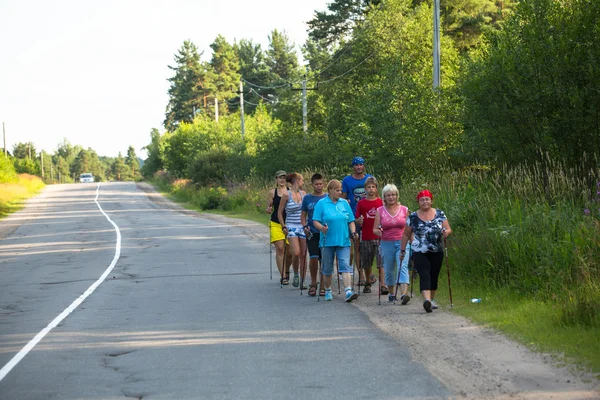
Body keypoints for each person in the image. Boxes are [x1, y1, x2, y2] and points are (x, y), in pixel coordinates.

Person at [400, 190, 452, 313]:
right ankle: (427, 300)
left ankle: (431, 299)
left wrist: (446, 233)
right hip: (419, 250)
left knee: (434, 275)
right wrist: (402, 251)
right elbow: (406, 235)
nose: (425, 202)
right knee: (424, 273)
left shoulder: (439, 213)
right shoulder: (413, 217)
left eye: (427, 199)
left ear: (431, 201)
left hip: (437, 250)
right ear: (418, 202)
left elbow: (448, 228)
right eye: (422, 200)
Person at [312, 179, 359, 303]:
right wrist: (321, 228)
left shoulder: (344, 203)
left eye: (341, 190)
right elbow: (315, 220)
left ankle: (348, 291)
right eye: (337, 190)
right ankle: (327, 290)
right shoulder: (321, 203)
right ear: (330, 190)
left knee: (345, 265)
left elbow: (351, 221)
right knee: (327, 267)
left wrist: (353, 232)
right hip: (327, 241)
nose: (340, 192)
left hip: (343, 240)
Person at [373, 184, 411, 304]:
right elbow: (374, 229)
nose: (391, 197)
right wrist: (378, 231)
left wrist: (413, 240)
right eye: (388, 195)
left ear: (397, 195)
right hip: (386, 242)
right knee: (389, 269)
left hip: (402, 242)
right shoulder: (380, 210)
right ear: (384, 197)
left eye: (393, 195)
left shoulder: (404, 209)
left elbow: (410, 228)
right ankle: (391, 292)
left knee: (402, 266)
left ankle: (404, 294)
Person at [341, 156, 373, 283]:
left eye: (361, 164)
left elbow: (375, 195)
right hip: (353, 218)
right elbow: (342, 198)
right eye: (356, 165)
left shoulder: (369, 179)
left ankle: (369, 273)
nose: (358, 167)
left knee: (369, 248)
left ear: (364, 165)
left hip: (369, 217)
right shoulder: (347, 180)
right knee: (357, 247)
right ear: (353, 167)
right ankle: (360, 275)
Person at [278, 173, 307, 289]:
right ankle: (295, 274)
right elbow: (279, 212)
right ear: (296, 180)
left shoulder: (304, 194)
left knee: (304, 255)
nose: (303, 182)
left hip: (302, 226)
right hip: (291, 226)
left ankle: (302, 280)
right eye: (302, 180)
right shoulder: (286, 195)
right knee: (296, 252)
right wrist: (283, 225)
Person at [354, 176, 383, 293]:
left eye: (373, 187)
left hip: (379, 235)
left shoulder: (381, 202)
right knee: (367, 261)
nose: (371, 189)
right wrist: (359, 221)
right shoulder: (361, 203)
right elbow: (357, 218)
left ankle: (383, 284)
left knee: (381, 261)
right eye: (368, 187)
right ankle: (367, 281)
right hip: (366, 235)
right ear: (365, 189)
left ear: (376, 189)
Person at [301, 173, 327, 297]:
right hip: (311, 232)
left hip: (324, 232)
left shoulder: (327, 197)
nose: (319, 186)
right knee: (314, 257)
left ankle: (323, 285)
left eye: (321, 184)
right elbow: (303, 215)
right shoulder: (307, 198)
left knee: (324, 259)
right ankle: (313, 282)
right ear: (312, 184)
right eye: (316, 184)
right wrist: (304, 226)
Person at [266, 170, 292, 285]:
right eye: (280, 178)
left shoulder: (291, 192)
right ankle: (283, 276)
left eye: (284, 178)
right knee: (280, 248)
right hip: (276, 223)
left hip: (289, 223)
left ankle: (287, 270)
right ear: (276, 179)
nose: (282, 180)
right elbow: (269, 206)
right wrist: (268, 209)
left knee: (290, 251)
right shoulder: (272, 192)